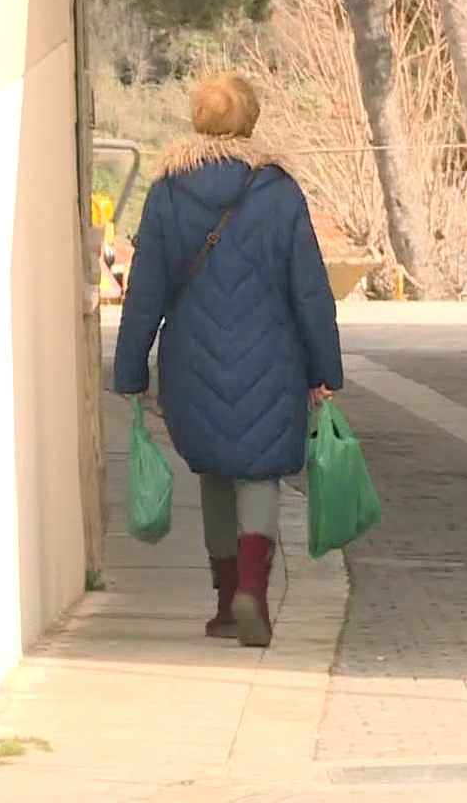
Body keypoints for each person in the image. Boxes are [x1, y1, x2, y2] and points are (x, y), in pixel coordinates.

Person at [112, 70, 343, 648]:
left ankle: (222, 604)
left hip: (192, 357)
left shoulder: (167, 192)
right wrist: (323, 371)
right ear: (251, 120)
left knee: (215, 471)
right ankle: (253, 592)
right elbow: (309, 289)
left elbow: (146, 289)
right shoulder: (278, 191)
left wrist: (131, 370)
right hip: (272, 355)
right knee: (258, 471)